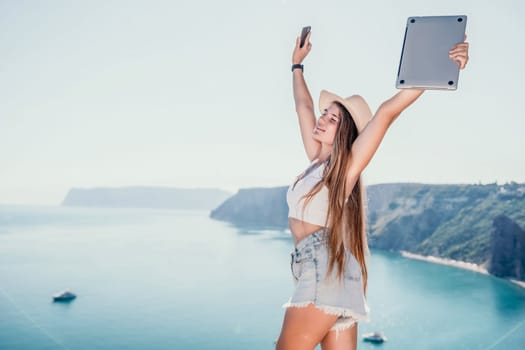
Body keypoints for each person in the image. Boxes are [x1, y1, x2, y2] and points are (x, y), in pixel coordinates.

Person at [275, 30, 469, 350]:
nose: (322, 118)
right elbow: (302, 105)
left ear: (345, 133)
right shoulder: (315, 161)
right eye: (325, 113)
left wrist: (441, 67)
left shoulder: (344, 167)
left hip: (322, 266)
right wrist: (297, 66)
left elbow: (386, 112)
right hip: (327, 268)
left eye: (333, 118)